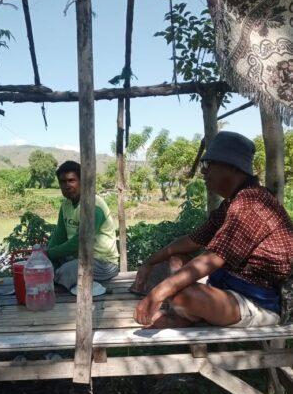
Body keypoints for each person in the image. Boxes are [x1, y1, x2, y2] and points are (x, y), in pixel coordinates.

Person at [132, 131, 293, 328]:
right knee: (176, 260)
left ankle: (187, 314)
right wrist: (149, 262)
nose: (203, 173)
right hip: (229, 285)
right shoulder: (234, 202)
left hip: (260, 302)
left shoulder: (252, 202)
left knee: (181, 293)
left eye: (208, 165)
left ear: (231, 167)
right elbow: (192, 240)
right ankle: (189, 313)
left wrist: (157, 293)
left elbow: (213, 258)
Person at [46, 161, 119, 292]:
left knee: (66, 271)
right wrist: (45, 255)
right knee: (44, 264)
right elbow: (59, 237)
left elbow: (80, 242)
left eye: (71, 180)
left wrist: (49, 253)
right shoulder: (65, 205)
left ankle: (59, 285)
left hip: (102, 263)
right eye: (63, 182)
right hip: (78, 259)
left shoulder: (93, 205)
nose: (67, 185)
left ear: (82, 182)